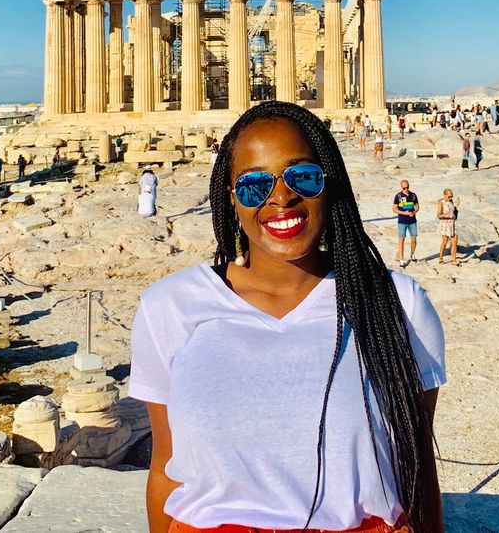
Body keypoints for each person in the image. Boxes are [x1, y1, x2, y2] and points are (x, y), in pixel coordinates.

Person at [130, 101, 445, 533]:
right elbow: (165, 466)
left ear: (328, 183)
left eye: (302, 176)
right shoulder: (170, 306)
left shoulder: (397, 304)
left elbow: (418, 464)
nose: (281, 197)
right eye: (254, 184)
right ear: (231, 198)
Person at [393, 180, 420, 267]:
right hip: (402, 221)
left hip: (412, 221)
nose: (406, 189)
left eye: (407, 187)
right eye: (404, 188)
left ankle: (412, 254)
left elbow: (417, 206)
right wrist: (405, 213)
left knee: (414, 240)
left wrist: (414, 212)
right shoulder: (398, 196)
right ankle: (401, 259)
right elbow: (394, 209)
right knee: (401, 240)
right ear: (401, 187)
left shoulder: (413, 195)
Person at [436, 188, 459, 266]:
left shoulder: (451, 201)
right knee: (445, 241)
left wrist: (456, 207)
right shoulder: (441, 202)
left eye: (451, 196)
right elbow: (438, 215)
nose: (450, 198)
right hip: (445, 223)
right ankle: (441, 258)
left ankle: (454, 259)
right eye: (449, 196)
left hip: (452, 223)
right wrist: (446, 215)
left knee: (454, 242)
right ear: (445, 195)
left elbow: (453, 210)